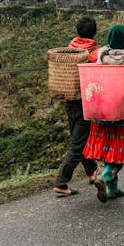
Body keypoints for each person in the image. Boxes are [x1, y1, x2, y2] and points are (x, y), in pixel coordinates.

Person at [83, 23, 124, 202]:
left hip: (102, 110)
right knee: (119, 150)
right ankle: (105, 177)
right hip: (121, 111)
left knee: (108, 148)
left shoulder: (101, 57)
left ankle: (113, 189)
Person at [51, 16, 101, 197]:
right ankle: (61, 182)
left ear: (77, 32)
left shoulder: (69, 49)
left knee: (80, 138)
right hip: (84, 104)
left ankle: (92, 171)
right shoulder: (94, 54)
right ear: (94, 32)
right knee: (77, 144)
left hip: (69, 102)